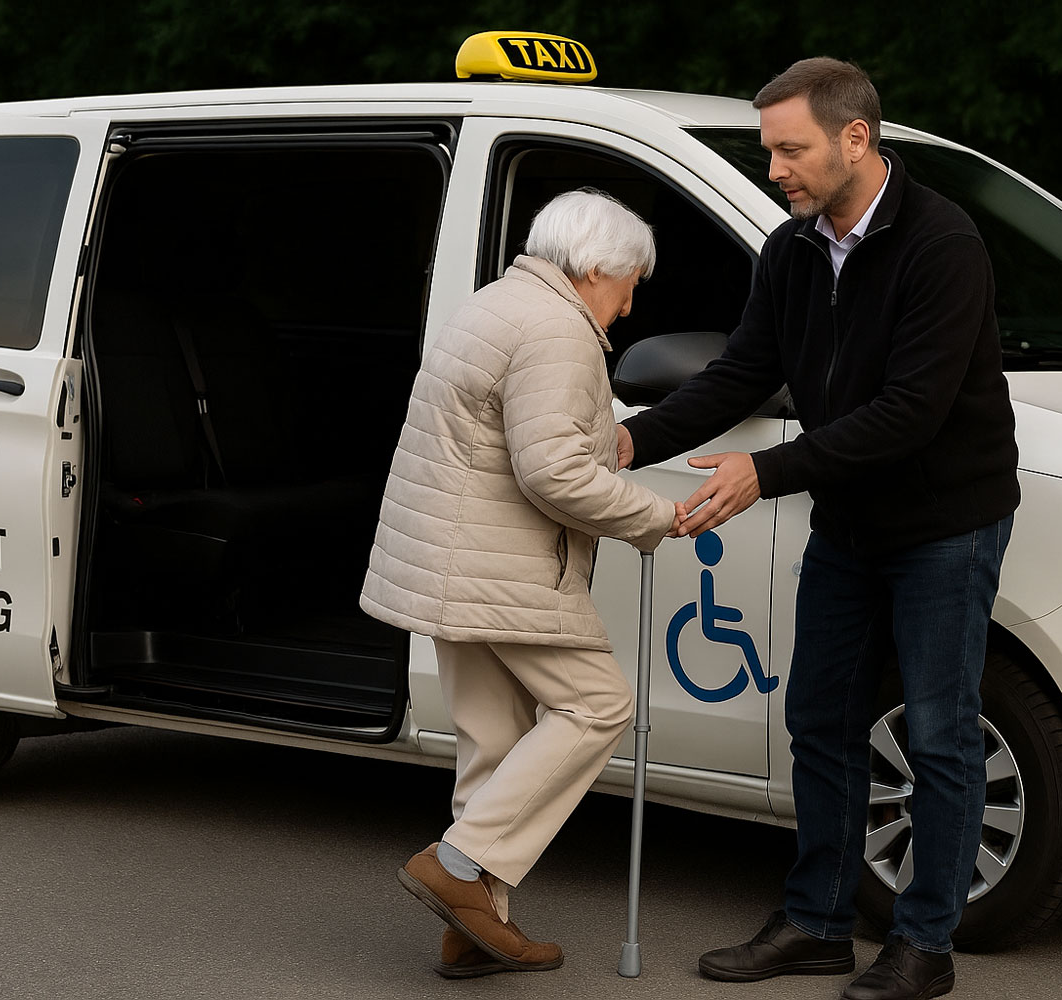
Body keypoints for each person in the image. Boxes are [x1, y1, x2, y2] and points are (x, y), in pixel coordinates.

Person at [617, 58, 1019, 1000]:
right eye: (769, 150)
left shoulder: (943, 246)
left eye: (790, 149)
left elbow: (909, 412)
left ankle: (924, 947)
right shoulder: (791, 250)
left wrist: (768, 471)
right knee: (819, 721)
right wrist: (624, 443)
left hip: (943, 526)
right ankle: (818, 923)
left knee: (939, 733)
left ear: (856, 138)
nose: (776, 170)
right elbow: (740, 373)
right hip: (848, 522)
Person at [361, 188, 680, 978]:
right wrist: (654, 516)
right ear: (596, 265)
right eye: (630, 282)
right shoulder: (557, 329)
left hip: (450, 560)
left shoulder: (496, 304)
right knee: (598, 703)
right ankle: (459, 865)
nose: (630, 303)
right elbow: (552, 470)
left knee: (495, 741)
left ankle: (472, 932)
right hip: (500, 566)